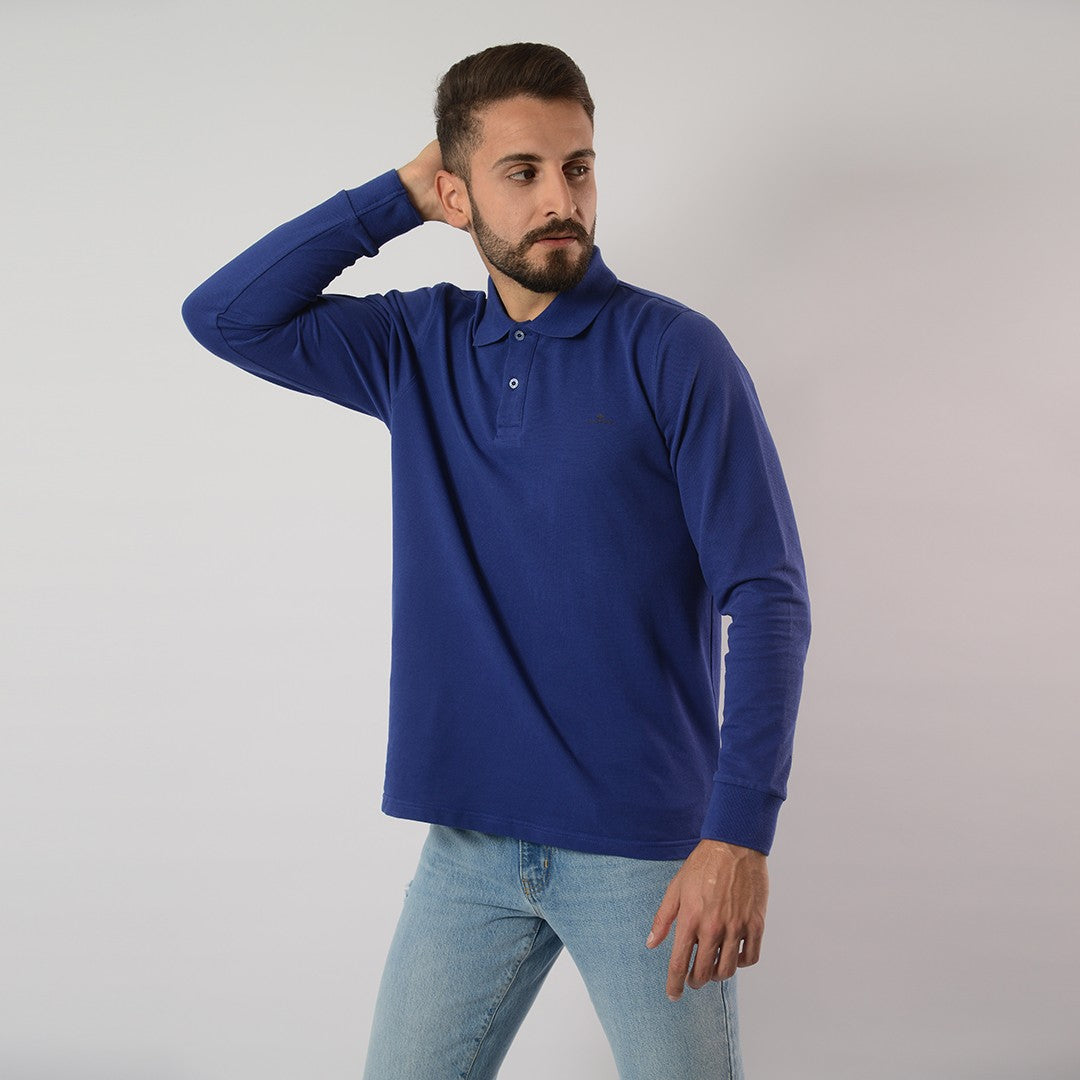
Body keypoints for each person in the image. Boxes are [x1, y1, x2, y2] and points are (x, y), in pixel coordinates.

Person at [182, 41, 810, 1080]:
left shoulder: (674, 351)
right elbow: (225, 315)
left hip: (646, 853)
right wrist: (392, 197)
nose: (561, 199)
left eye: (578, 166)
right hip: (468, 852)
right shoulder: (414, 347)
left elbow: (768, 595)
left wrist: (738, 833)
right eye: (521, 172)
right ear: (455, 193)